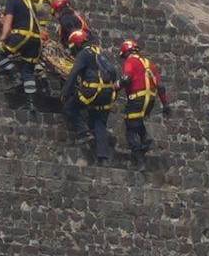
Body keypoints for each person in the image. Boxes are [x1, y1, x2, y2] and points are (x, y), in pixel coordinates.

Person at [58, 29, 118, 164]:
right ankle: (103, 157)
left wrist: (65, 92)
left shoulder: (84, 53)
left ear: (77, 44)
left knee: (69, 108)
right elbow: (114, 73)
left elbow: (74, 73)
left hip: (92, 91)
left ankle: (84, 132)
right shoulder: (101, 52)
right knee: (99, 122)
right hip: (107, 93)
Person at [116, 40, 168, 168]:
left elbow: (126, 79)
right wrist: (165, 104)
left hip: (137, 99)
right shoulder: (150, 64)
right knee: (137, 121)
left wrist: (115, 87)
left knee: (130, 128)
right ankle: (145, 139)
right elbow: (160, 86)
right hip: (150, 100)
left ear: (126, 52)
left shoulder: (130, 61)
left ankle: (139, 159)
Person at [0, 0, 43, 104]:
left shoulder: (12, 2)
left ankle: (15, 75)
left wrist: (2, 39)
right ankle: (31, 103)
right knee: (28, 71)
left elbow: (8, 24)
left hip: (22, 36)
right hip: (36, 41)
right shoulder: (29, 4)